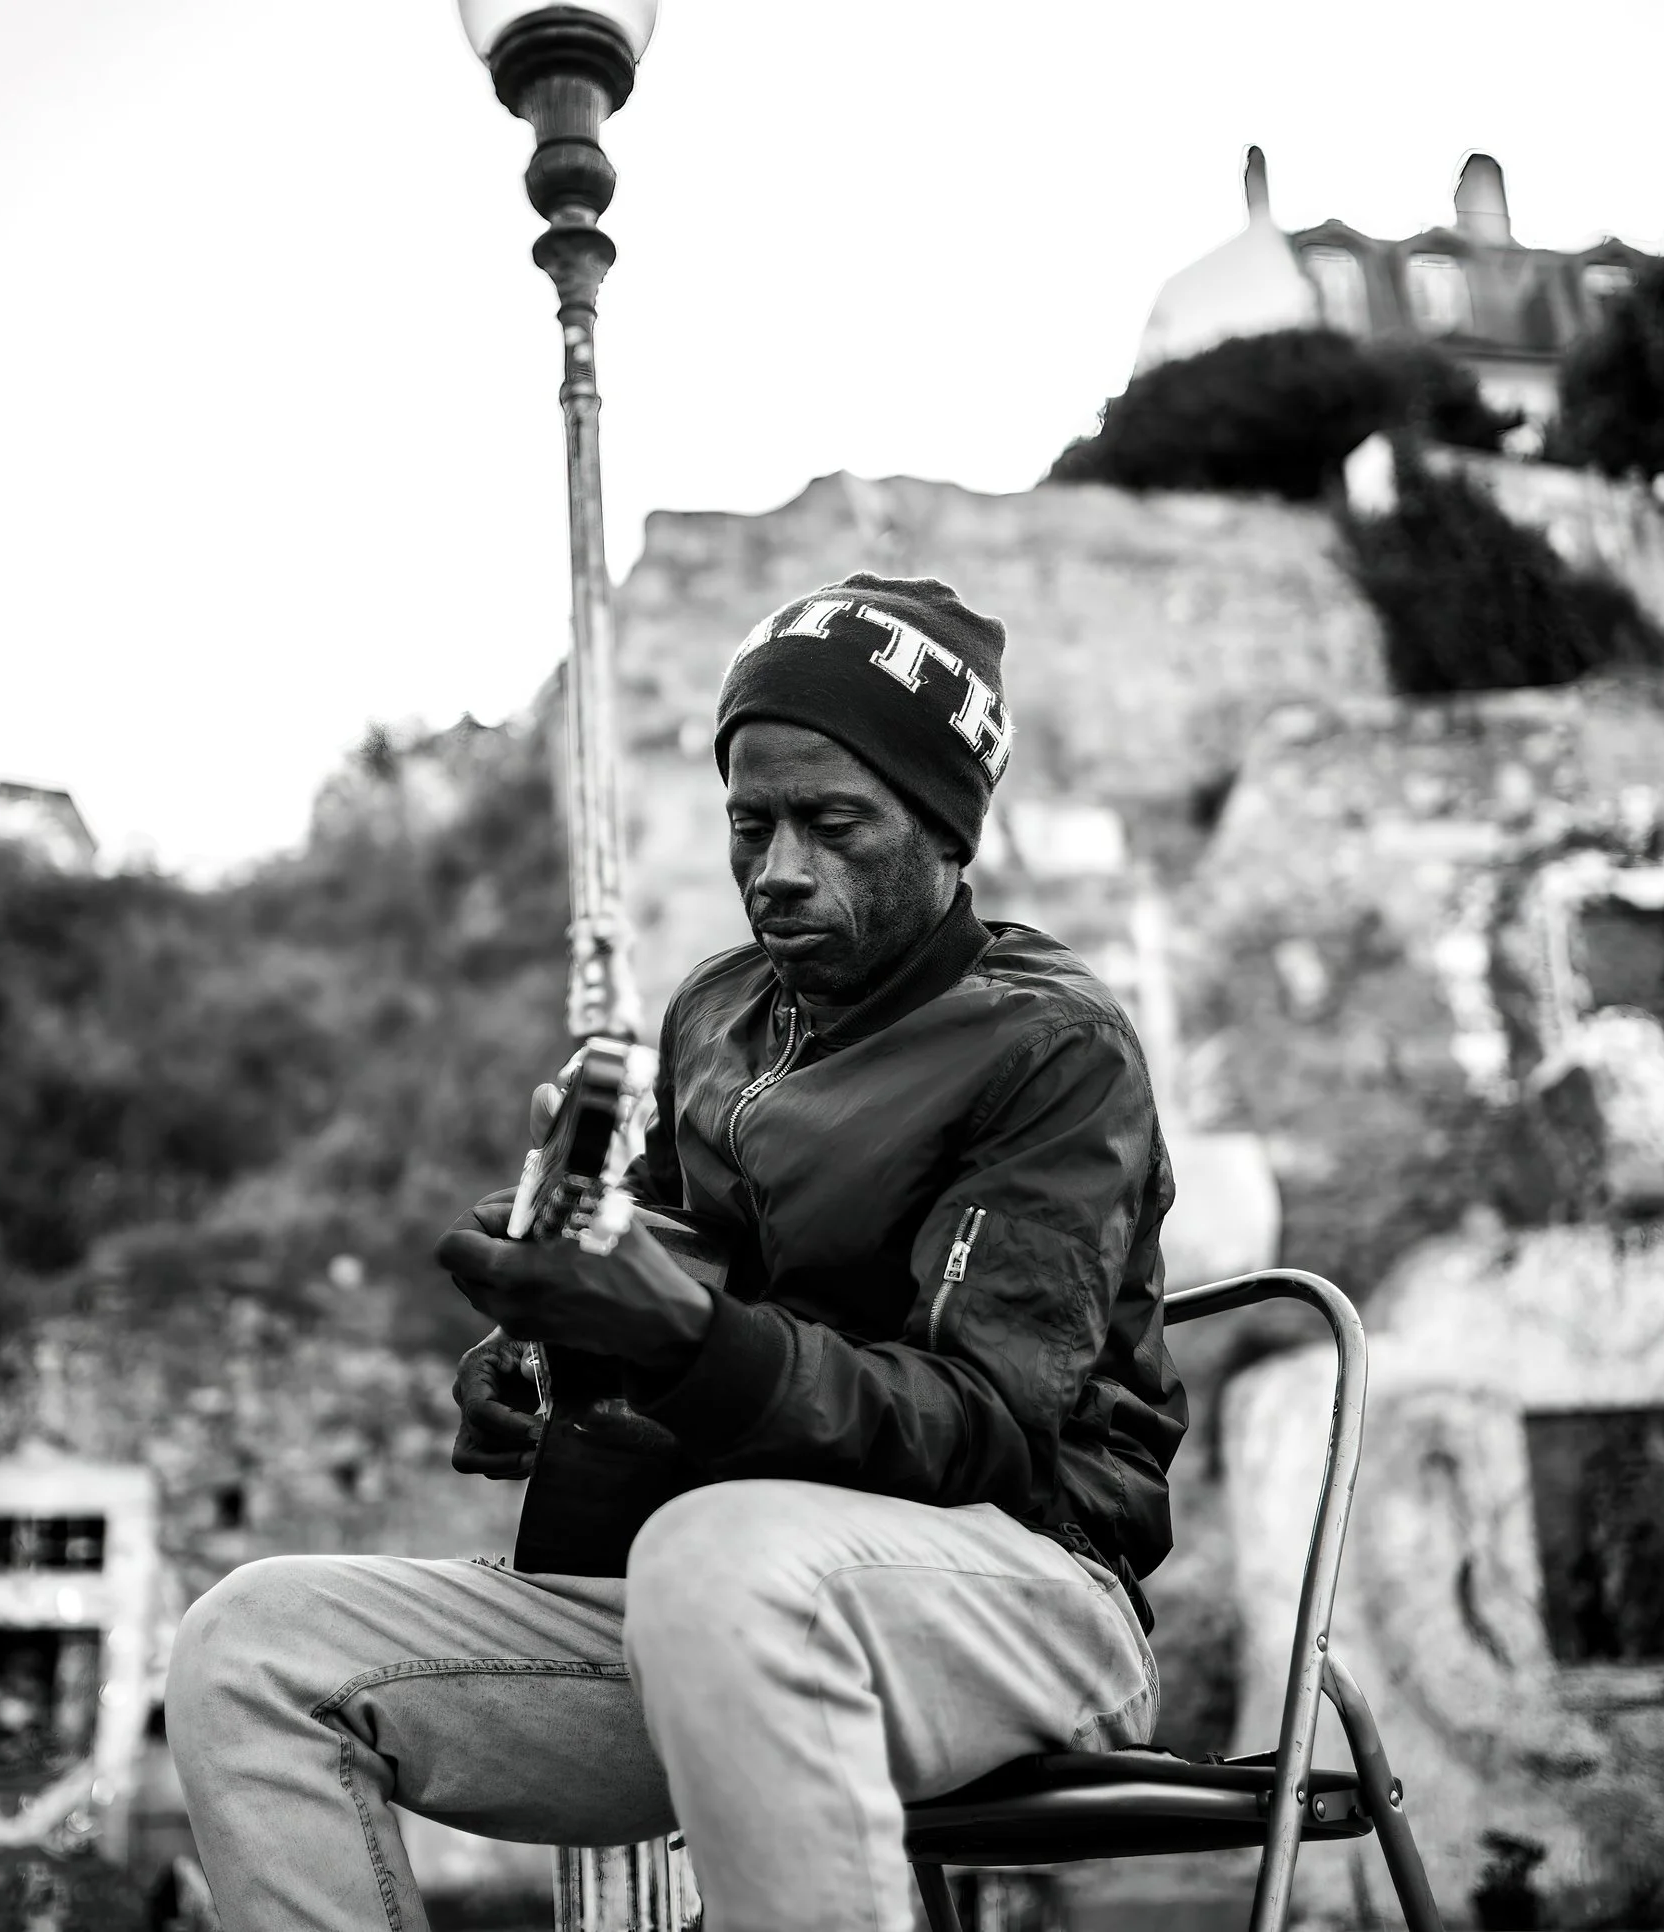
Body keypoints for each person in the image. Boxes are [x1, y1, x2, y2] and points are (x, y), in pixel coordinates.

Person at [166, 573, 1188, 1932]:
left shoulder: (1047, 1047)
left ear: (945, 831)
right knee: (251, 1641)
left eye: (832, 824)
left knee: (720, 1555)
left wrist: (687, 1341)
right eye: (749, 823)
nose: (776, 871)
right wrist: (544, 1337)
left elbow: (989, 1430)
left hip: (1025, 1600)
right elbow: (670, 1277)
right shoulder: (715, 1015)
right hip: (709, 1608)